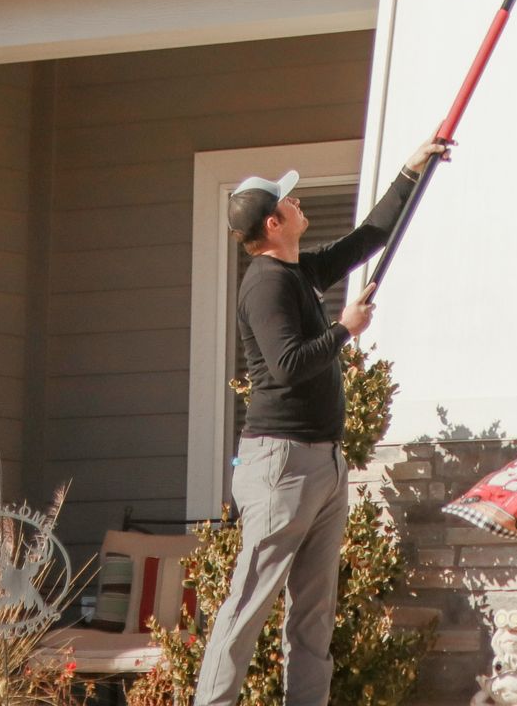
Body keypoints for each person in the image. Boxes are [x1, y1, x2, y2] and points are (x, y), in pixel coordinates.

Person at [192, 137, 450, 706]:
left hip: (322, 462)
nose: (299, 203)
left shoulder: (299, 271)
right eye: (289, 201)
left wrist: (411, 171)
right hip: (280, 465)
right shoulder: (264, 285)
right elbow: (286, 367)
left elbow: (369, 238)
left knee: (313, 614)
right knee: (248, 604)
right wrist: (345, 330)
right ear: (273, 221)